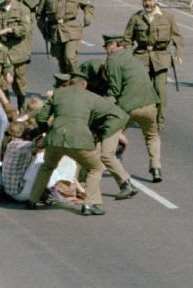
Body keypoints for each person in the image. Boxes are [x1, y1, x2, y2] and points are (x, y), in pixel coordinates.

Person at [26, 72, 128, 216]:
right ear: (85, 85)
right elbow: (119, 115)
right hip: (79, 141)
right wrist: (102, 133)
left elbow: (41, 116)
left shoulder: (58, 94)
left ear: (71, 82)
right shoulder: (92, 97)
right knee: (96, 167)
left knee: (47, 166)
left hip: (55, 139)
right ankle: (89, 204)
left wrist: (47, 131)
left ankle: (32, 200)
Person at [94, 33, 162, 191]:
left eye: (107, 47)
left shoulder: (112, 60)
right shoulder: (133, 58)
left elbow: (115, 90)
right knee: (152, 136)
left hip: (129, 107)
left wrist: (101, 106)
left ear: (115, 45)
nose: (106, 50)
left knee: (110, 135)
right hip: (150, 103)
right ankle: (156, 167)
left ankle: (101, 164)